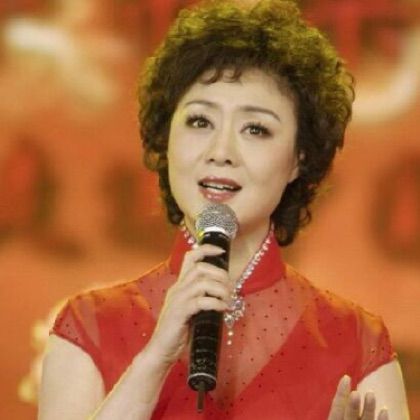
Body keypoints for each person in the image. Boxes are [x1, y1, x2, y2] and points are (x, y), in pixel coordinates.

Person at [38, 0, 409, 419]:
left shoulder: (356, 343)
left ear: (298, 159)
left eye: (256, 129)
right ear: (166, 137)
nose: (221, 151)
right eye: (200, 122)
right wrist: (155, 358)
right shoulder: (90, 325)